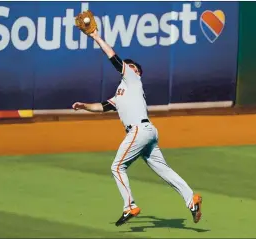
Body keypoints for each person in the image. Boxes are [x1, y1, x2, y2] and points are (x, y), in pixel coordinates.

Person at [72, 28, 202, 227]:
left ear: (137, 72)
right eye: (128, 66)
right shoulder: (122, 92)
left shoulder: (133, 79)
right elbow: (103, 107)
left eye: (132, 66)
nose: (129, 67)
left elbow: (113, 58)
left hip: (139, 131)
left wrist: (96, 37)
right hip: (148, 132)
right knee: (164, 170)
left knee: (117, 166)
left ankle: (129, 205)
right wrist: (84, 106)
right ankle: (191, 199)